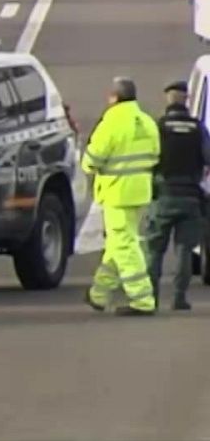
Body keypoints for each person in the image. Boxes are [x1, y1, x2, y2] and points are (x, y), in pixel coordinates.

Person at [84, 77, 162, 315]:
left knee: (125, 246)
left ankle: (142, 299)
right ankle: (99, 294)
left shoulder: (111, 123)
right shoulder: (146, 122)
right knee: (117, 245)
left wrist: (91, 165)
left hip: (117, 193)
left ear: (114, 97)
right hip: (140, 192)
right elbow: (156, 155)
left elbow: (91, 161)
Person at [145, 80, 208, 310]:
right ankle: (179, 297)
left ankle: (151, 297)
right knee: (184, 250)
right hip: (190, 197)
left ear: (167, 100)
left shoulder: (158, 127)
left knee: (155, 250)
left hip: (163, 196)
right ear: (187, 100)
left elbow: (149, 158)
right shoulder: (197, 128)